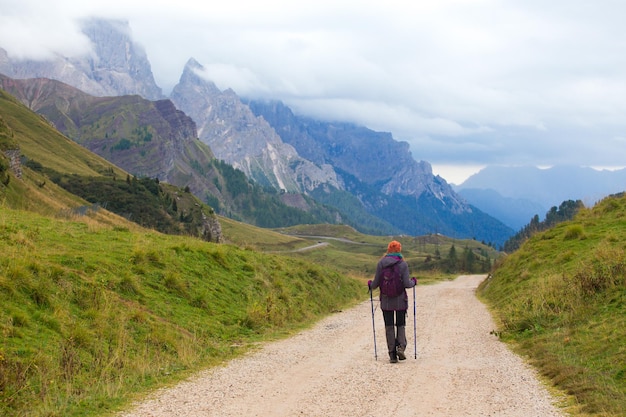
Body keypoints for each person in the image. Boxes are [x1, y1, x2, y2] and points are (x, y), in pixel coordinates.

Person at [368, 240, 417, 363]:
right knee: (400, 324)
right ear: (399, 250)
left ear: (388, 249)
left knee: (389, 326)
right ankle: (401, 346)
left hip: (386, 301)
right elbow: (407, 284)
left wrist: (370, 284)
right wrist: (414, 282)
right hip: (401, 300)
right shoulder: (403, 264)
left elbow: (375, 284)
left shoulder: (381, 263)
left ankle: (392, 355)